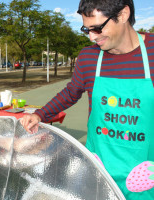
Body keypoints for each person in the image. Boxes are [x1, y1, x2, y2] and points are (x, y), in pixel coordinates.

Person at [20, 0, 154, 199]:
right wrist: (40, 115)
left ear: (124, 14)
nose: (93, 37)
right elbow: (71, 92)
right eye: (87, 29)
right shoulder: (88, 57)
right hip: (98, 166)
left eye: (98, 28)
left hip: (145, 171)